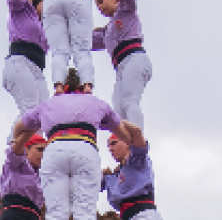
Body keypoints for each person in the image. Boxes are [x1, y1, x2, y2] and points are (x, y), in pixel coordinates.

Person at [12, 68, 137, 220]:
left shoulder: (48, 104)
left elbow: (19, 127)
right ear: (84, 83)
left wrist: (25, 135)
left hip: (54, 150)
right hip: (85, 148)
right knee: (85, 212)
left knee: (56, 212)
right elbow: (123, 133)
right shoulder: (96, 102)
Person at [92, 0, 151, 128]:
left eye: (102, 0)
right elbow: (82, 41)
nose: (100, 6)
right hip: (120, 68)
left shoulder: (126, 10)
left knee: (129, 101)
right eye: (97, 4)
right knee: (118, 111)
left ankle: (137, 143)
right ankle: (125, 144)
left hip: (134, 57)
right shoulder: (106, 32)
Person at [3, 0, 49, 143]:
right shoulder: (24, 14)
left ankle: (26, 148)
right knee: (29, 109)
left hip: (36, 69)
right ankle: (13, 146)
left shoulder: (48, 29)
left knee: (43, 115)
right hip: (19, 62)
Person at [102, 124, 161, 220]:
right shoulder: (111, 176)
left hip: (144, 215)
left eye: (113, 143)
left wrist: (114, 120)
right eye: (109, 146)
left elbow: (137, 135)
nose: (110, 149)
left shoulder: (137, 161)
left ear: (127, 143)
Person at [0, 131, 48, 220]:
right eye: (40, 149)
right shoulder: (16, 164)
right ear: (26, 150)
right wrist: (29, 128)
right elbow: (17, 148)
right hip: (14, 215)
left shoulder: (42, 177)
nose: (43, 155)